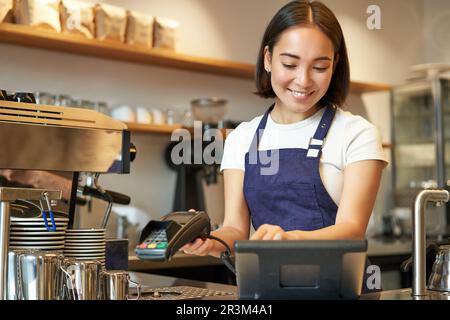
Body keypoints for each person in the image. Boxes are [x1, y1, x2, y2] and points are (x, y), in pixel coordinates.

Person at [181, 0, 388, 292]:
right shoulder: (242, 137)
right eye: (290, 64)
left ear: (335, 64)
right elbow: (236, 231)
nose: (303, 81)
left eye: (319, 66)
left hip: (341, 291)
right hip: (267, 290)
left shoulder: (357, 133)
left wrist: (290, 239)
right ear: (267, 58)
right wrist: (209, 241)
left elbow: (352, 231)